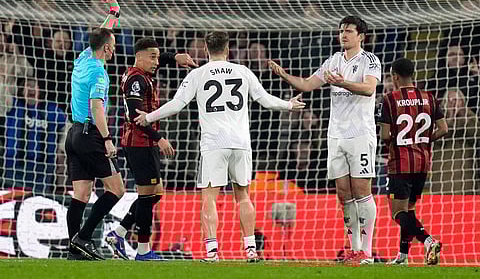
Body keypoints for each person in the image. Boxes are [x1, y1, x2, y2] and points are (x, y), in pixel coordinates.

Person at [134, 31, 305, 262]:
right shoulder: (242, 71)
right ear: (228, 50)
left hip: (214, 144)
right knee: (243, 196)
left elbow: (177, 104)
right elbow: (264, 99)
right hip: (241, 143)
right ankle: (251, 249)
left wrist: (149, 117)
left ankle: (212, 252)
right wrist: (288, 104)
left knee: (209, 198)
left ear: (206, 49)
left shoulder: (198, 74)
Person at [269, 16, 380, 264]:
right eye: (341, 31)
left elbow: (369, 89)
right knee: (343, 193)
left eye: (349, 31)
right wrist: (284, 75)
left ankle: (368, 252)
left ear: (361, 36)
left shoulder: (370, 60)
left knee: (362, 190)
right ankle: (354, 249)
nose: (344, 35)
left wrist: (344, 83)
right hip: (336, 135)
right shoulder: (333, 60)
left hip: (360, 134)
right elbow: (308, 85)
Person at [105, 37, 197, 261]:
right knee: (147, 196)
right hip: (140, 143)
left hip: (143, 143)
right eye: (152, 57)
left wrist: (174, 57)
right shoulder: (136, 80)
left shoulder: (140, 73)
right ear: (140, 56)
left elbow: (159, 58)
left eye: (158, 56)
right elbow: (136, 117)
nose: (157, 61)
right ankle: (143, 250)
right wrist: (160, 138)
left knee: (155, 194)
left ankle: (119, 233)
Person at [65, 0, 125, 261]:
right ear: (107, 50)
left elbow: (103, 33)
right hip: (91, 135)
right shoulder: (99, 73)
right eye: (112, 46)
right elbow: (97, 108)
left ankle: (74, 249)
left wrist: (113, 11)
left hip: (74, 133)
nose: (114, 49)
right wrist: (108, 139)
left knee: (81, 193)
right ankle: (84, 238)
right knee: (117, 189)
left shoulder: (83, 58)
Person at [378, 58, 448, 265]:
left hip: (400, 163)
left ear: (395, 76)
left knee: (397, 212)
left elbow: (384, 135)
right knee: (409, 209)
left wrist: (399, 141)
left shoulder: (390, 99)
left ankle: (428, 241)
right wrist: (424, 140)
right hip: (423, 163)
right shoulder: (429, 97)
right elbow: (444, 129)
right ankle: (403, 256)